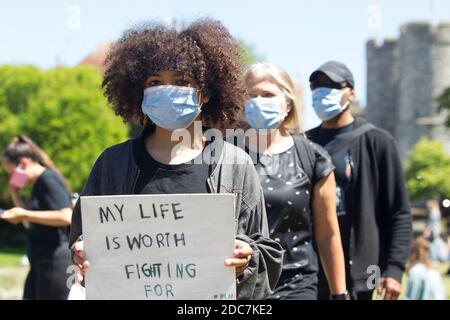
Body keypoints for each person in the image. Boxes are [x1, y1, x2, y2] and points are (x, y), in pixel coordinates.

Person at [69, 19, 283, 300]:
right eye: (155, 82)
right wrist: (82, 251)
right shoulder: (112, 163)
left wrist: (247, 259)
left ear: (204, 93)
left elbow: (265, 252)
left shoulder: (236, 165)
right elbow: (82, 238)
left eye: (181, 81)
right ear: (140, 93)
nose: (167, 90)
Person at [240, 62, 348, 300]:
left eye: (267, 94)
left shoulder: (313, 157)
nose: (258, 101)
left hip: (297, 285)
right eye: (251, 95)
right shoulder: (226, 155)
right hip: (241, 287)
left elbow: (328, 233)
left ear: (287, 103)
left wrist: (339, 294)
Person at [306, 61, 413, 300]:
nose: (321, 91)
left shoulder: (378, 143)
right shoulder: (305, 144)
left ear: (351, 93)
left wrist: (394, 268)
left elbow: (399, 212)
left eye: (331, 85)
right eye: (315, 86)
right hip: (314, 271)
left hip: (366, 271)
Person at [0, 135, 73, 300]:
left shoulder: (48, 179)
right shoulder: (37, 184)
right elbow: (29, 224)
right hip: (40, 261)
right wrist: (15, 193)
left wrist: (24, 213)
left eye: (12, 172)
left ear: (23, 163)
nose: (12, 178)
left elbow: (67, 216)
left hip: (55, 260)